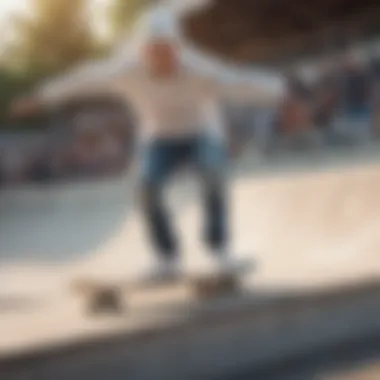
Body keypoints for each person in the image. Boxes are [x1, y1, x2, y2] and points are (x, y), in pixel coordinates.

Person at [11, 5, 285, 283]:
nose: (162, 60)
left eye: (167, 52)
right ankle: (166, 258)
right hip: (158, 139)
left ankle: (220, 250)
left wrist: (282, 90)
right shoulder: (124, 70)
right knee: (146, 187)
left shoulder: (199, 68)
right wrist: (43, 97)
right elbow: (83, 78)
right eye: (154, 52)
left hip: (202, 133)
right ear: (142, 52)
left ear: (178, 49)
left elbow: (239, 81)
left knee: (213, 174)